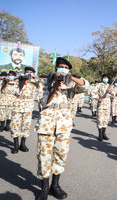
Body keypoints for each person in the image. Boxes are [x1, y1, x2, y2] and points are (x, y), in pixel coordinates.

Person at [36, 57, 88, 200]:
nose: (63, 69)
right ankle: (44, 188)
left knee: (60, 156)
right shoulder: (45, 82)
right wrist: (54, 88)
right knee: (43, 156)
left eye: (65, 67)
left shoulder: (71, 84)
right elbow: (43, 102)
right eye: (60, 67)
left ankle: (55, 186)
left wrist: (71, 78)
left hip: (64, 126)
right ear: (55, 69)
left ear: (69, 70)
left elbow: (85, 86)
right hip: (46, 125)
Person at [10, 67, 42, 154]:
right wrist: (22, 83)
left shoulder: (34, 82)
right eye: (27, 73)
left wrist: (34, 76)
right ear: (24, 73)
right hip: (17, 106)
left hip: (28, 107)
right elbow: (14, 92)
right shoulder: (18, 81)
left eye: (30, 73)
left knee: (26, 125)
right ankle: (16, 145)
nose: (28, 74)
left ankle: (23, 144)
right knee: (15, 125)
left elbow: (43, 83)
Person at [95, 74, 114, 141]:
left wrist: (111, 93)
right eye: (104, 78)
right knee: (100, 120)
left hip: (107, 105)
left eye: (106, 78)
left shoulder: (110, 86)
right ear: (102, 78)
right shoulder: (99, 85)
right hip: (101, 105)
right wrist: (97, 99)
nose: (105, 79)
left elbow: (113, 94)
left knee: (106, 120)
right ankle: (100, 135)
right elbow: (93, 93)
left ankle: (104, 134)